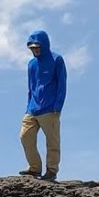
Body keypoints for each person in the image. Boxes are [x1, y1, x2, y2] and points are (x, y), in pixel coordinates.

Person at [19, 30, 67, 182]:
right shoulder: (31, 64)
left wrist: (57, 106)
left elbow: (62, 84)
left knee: (52, 141)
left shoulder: (56, 59)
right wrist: (28, 106)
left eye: (37, 47)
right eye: (32, 48)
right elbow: (31, 86)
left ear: (45, 45)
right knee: (25, 136)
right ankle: (34, 168)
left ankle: (51, 171)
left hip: (50, 108)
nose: (35, 50)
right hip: (32, 109)